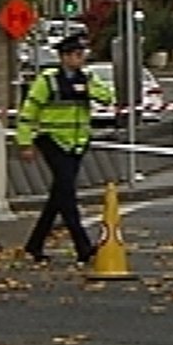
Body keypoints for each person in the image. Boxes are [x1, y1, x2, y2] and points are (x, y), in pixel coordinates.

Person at [16, 33, 114, 264]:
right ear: (64, 57)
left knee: (58, 195)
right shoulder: (47, 81)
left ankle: (34, 244)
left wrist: (88, 89)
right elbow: (28, 114)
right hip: (52, 140)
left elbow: (107, 98)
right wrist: (25, 143)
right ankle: (83, 247)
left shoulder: (86, 78)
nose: (81, 60)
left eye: (83, 55)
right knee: (67, 195)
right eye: (77, 55)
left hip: (77, 143)